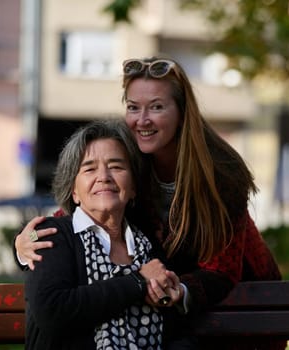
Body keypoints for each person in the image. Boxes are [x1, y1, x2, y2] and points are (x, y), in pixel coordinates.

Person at [17, 57, 286, 349]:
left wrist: (179, 290)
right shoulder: (130, 156)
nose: (142, 120)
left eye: (156, 107)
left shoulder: (219, 172)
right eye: (133, 107)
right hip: (170, 309)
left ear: (182, 112)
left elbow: (222, 271)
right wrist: (24, 242)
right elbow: (81, 212)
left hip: (243, 306)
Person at [25, 120, 182, 350]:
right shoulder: (53, 235)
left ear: (134, 187)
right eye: (89, 168)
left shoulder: (149, 246)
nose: (104, 176)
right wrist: (137, 282)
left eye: (116, 166)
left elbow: (176, 330)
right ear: (74, 191)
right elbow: (53, 311)